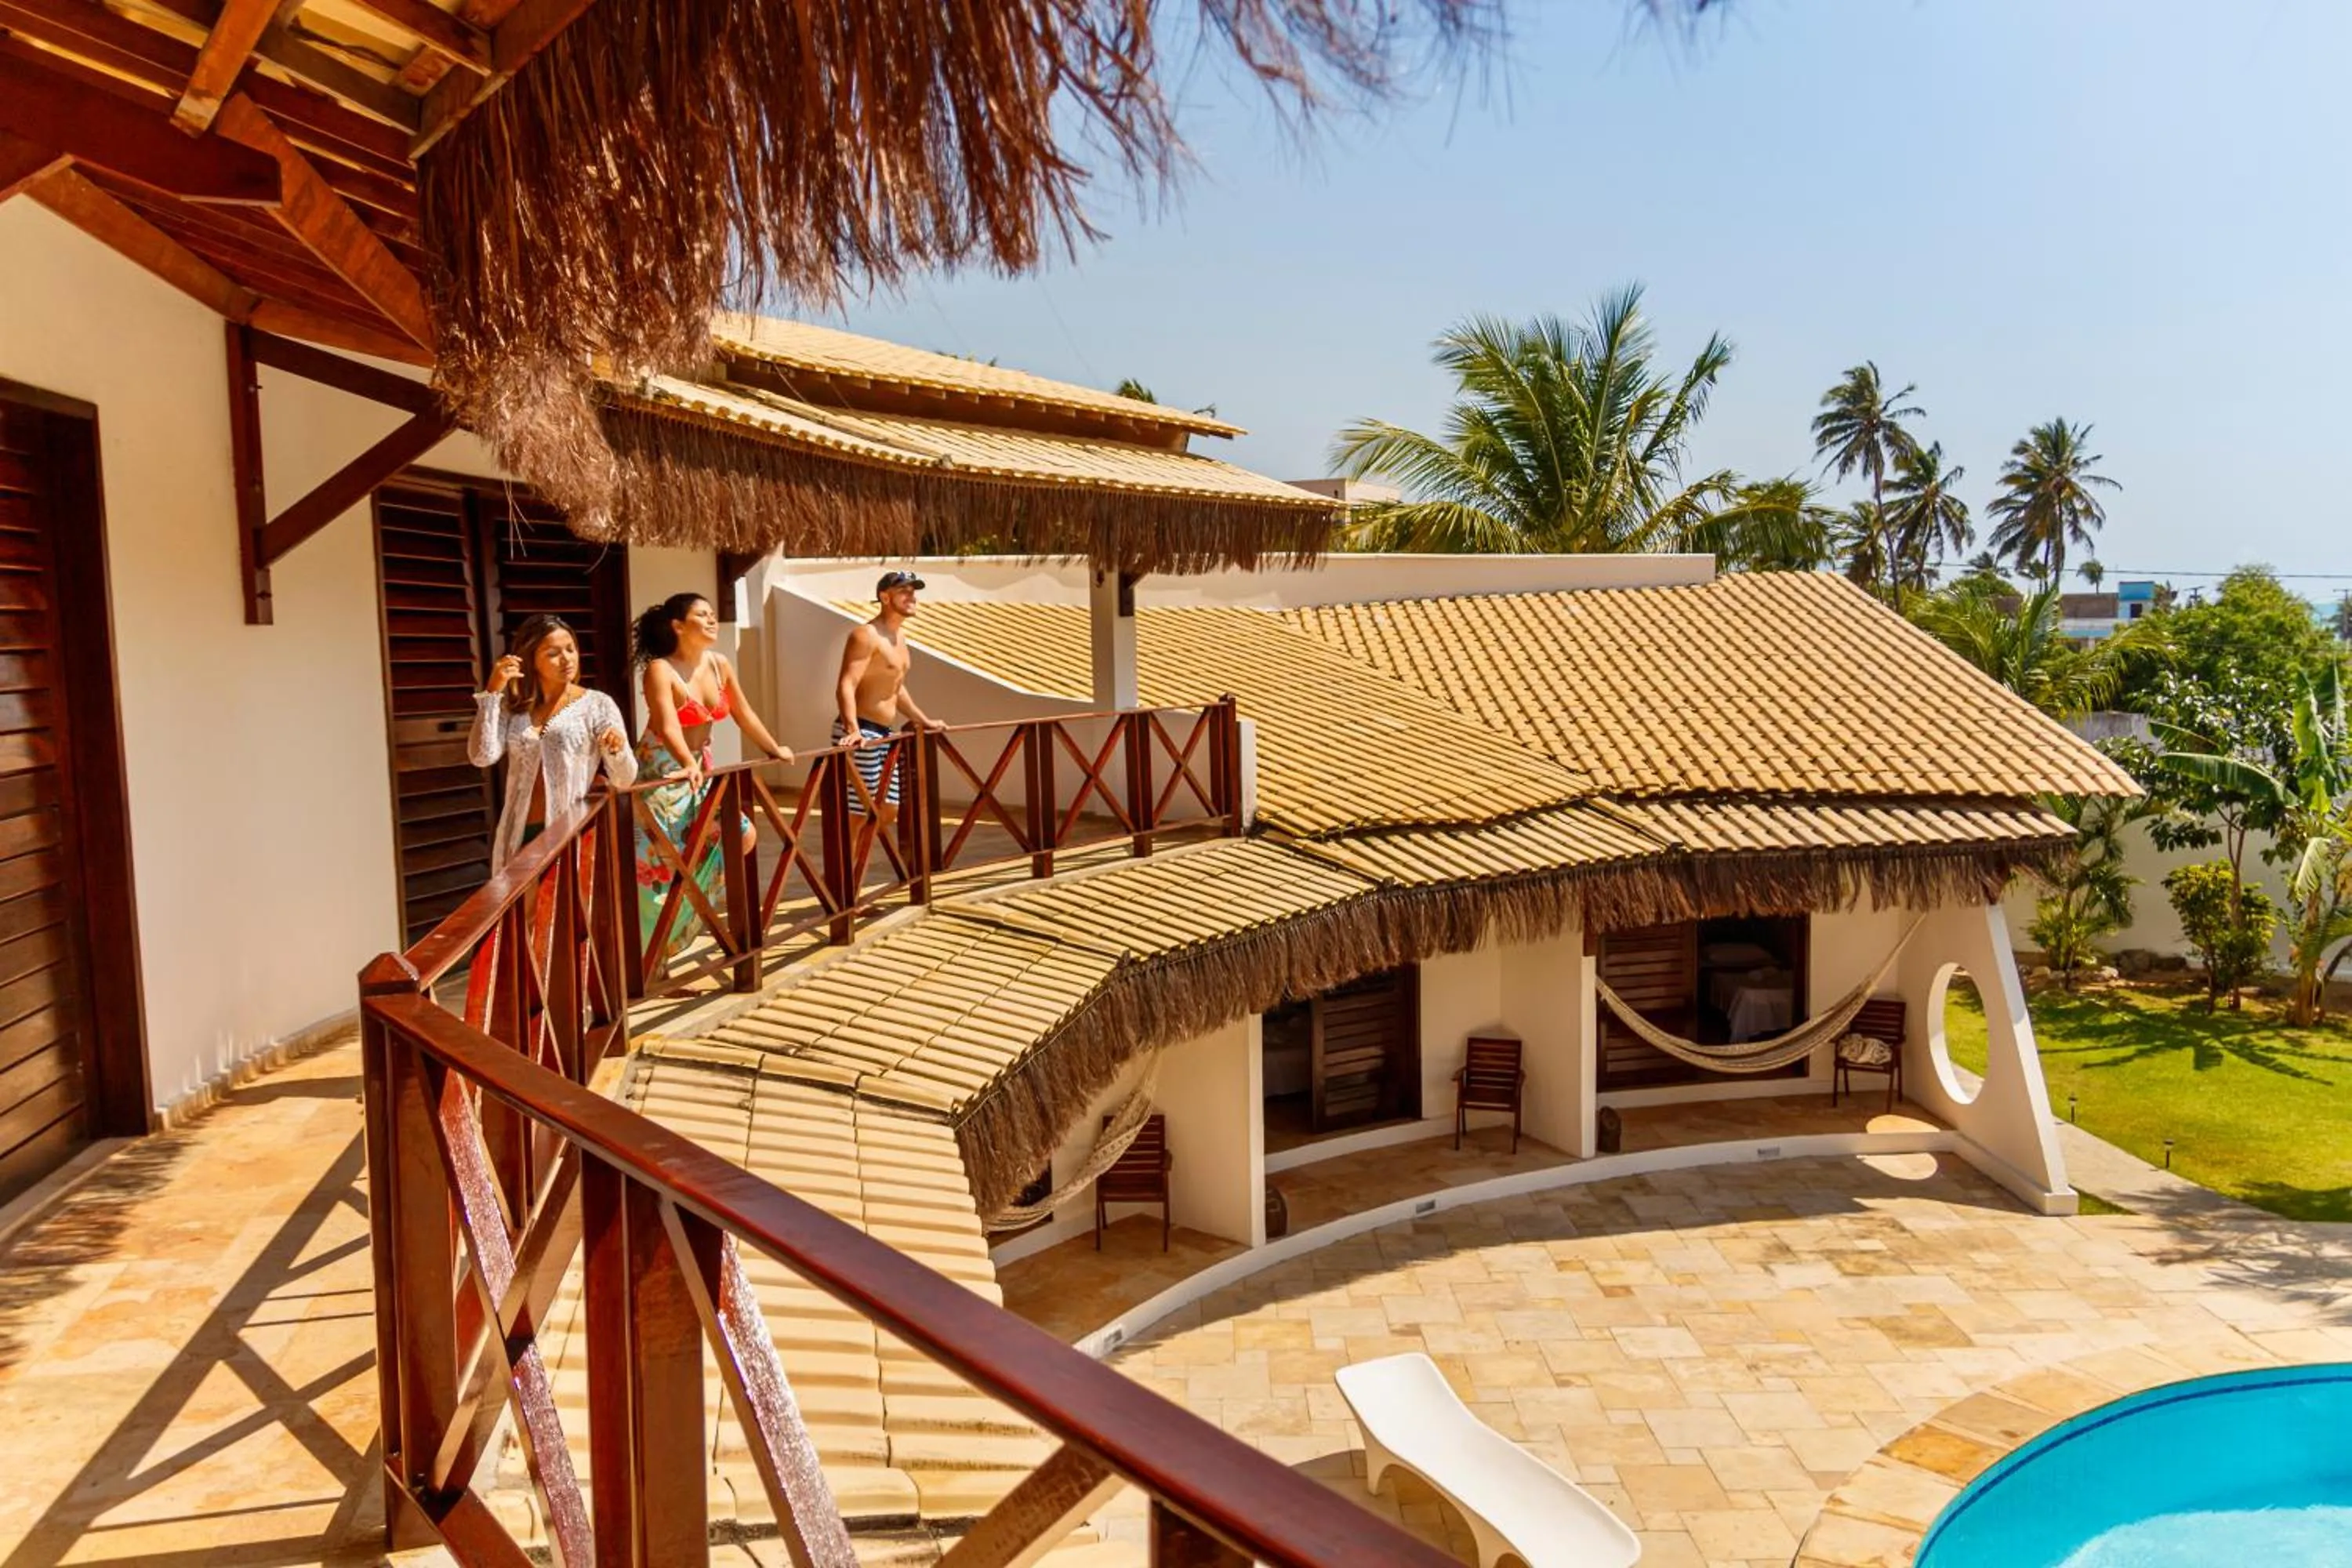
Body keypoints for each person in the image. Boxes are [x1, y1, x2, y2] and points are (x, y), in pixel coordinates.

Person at [632, 593, 792, 961]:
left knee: (742, 834)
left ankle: (680, 936)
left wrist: (774, 748)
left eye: (712, 615)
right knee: (662, 875)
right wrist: (687, 761)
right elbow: (668, 725)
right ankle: (655, 962)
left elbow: (744, 713)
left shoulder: (720, 664)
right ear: (678, 625)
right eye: (701, 615)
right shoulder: (661, 669)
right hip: (662, 776)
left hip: (697, 772)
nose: (711, 621)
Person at [469, 614, 635, 870]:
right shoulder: (513, 708)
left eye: (571, 649)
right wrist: (492, 692)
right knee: (522, 911)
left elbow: (625, 778)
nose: (567, 658)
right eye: (553, 653)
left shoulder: (597, 704)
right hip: (518, 833)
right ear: (531, 659)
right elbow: (482, 755)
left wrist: (618, 748)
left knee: (562, 910)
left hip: (570, 834)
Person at [833, 569, 944, 816]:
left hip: (885, 734)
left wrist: (923, 721)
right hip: (861, 731)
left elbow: (896, 687)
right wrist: (852, 731)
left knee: (889, 810)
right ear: (885, 598)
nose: (911, 596)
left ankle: (860, 856)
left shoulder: (899, 637)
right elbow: (846, 684)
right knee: (862, 813)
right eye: (903, 591)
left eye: (913, 591)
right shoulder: (866, 635)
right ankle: (852, 856)